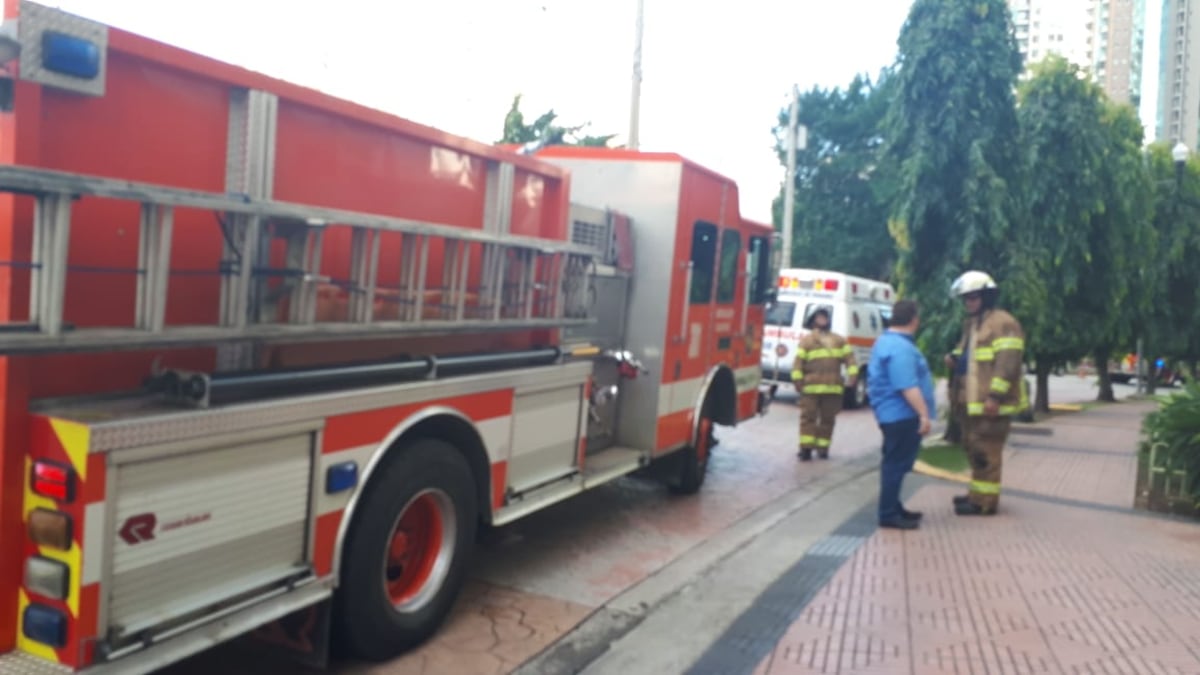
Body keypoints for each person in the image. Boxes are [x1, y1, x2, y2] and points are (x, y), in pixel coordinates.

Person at [944, 270, 1026, 516]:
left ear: (987, 296)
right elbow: (968, 355)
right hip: (971, 402)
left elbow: (1008, 363)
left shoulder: (1004, 323)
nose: (969, 302)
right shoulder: (973, 323)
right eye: (966, 298)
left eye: (974, 297)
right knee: (973, 448)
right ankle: (977, 494)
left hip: (990, 404)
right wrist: (954, 358)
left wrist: (995, 397)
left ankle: (985, 503)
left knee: (986, 452)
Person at [867, 299, 935, 530]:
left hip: (892, 414)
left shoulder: (887, 342)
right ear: (914, 319)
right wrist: (923, 415)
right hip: (901, 415)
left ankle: (894, 507)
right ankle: (888, 513)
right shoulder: (900, 347)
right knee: (895, 465)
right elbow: (906, 384)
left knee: (896, 463)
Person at [791, 307, 858, 461]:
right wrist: (797, 380)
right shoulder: (807, 341)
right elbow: (798, 363)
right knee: (808, 417)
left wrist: (853, 374)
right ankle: (806, 449)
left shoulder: (839, 341)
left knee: (828, 419)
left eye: (824, 317)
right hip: (810, 388)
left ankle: (823, 449)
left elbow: (850, 359)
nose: (822, 320)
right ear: (814, 320)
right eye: (819, 317)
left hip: (832, 387)